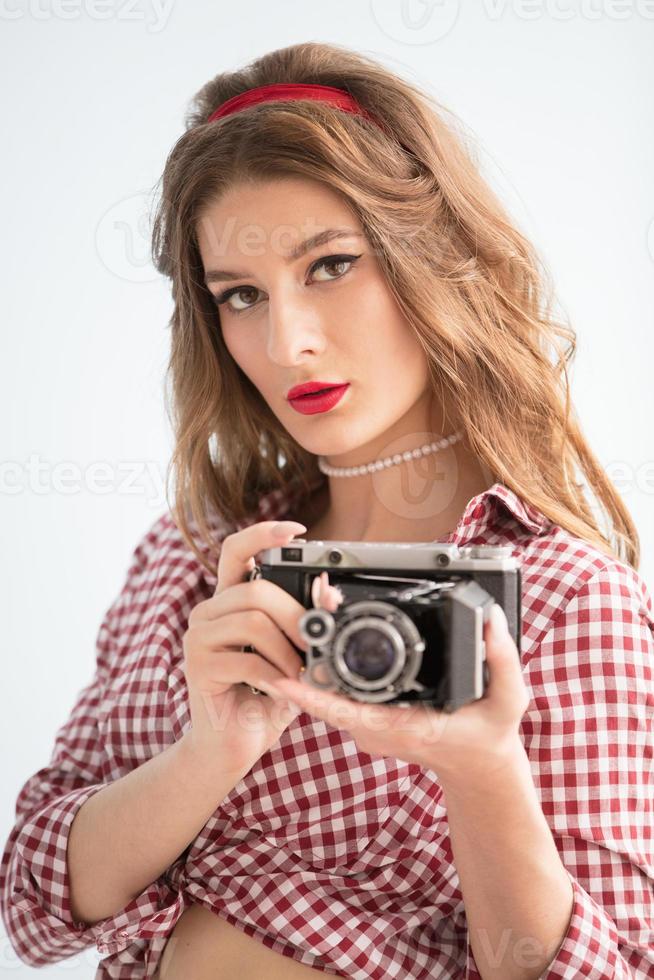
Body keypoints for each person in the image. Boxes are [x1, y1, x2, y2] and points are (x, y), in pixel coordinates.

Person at [1, 41, 652, 980]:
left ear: (436, 255)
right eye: (240, 295)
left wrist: (482, 775)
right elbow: (33, 903)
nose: (286, 341)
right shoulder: (191, 557)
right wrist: (207, 754)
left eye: (331, 265)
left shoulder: (560, 598)